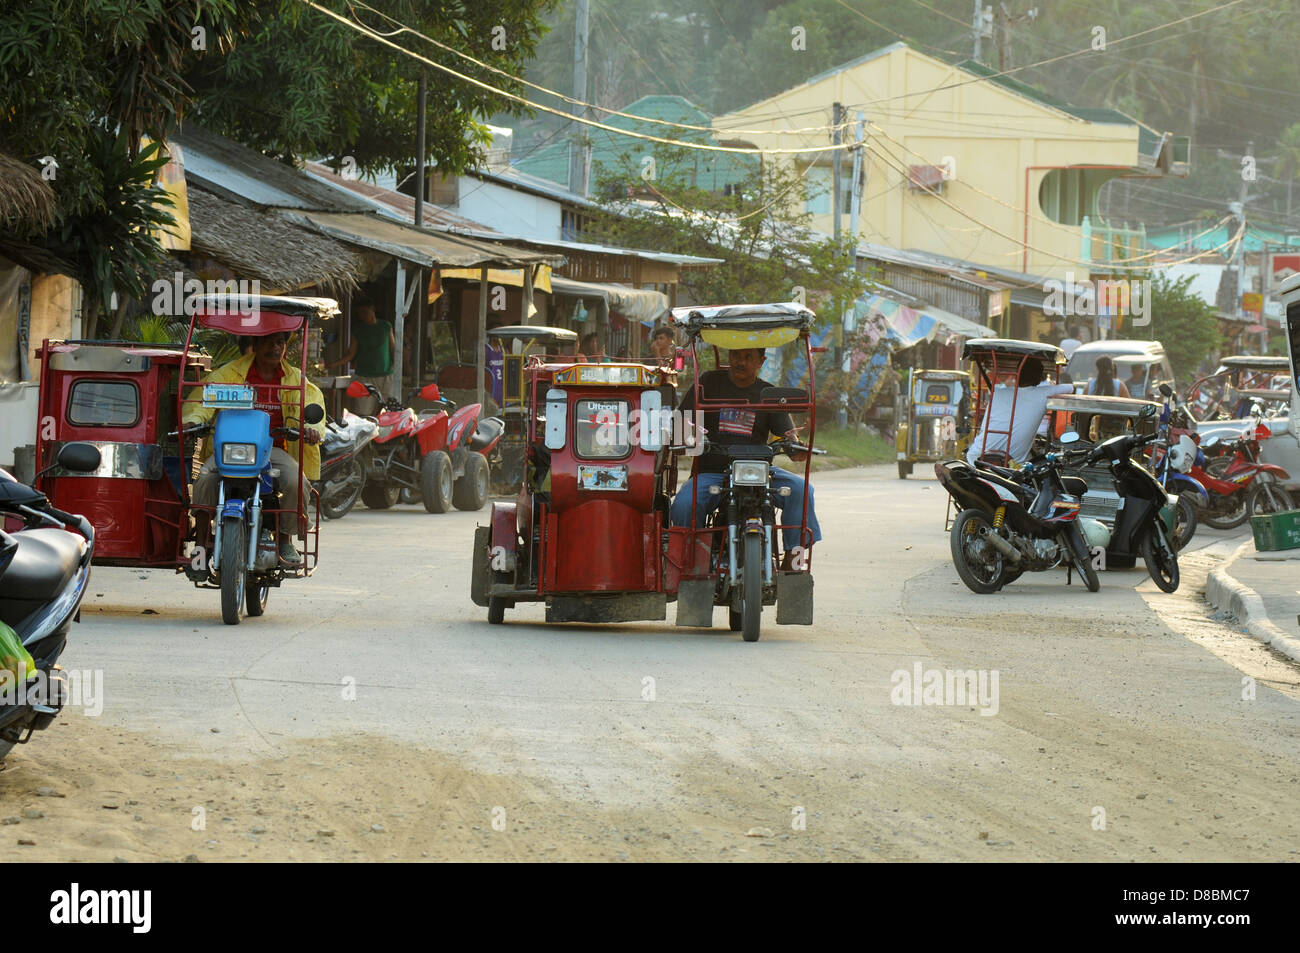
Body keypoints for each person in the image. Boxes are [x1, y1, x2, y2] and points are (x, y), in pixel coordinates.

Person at [669, 347, 821, 568]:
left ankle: (793, 560)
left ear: (761, 361)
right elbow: (682, 420)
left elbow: (788, 436)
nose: (740, 362)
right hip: (714, 472)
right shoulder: (708, 384)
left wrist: (796, 448)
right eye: (735, 356)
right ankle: (692, 561)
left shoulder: (769, 393)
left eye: (748, 357)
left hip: (759, 473)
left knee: (802, 490)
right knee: (683, 505)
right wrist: (684, 438)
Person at [184, 332, 326, 565]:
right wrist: (193, 420)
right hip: (230, 449)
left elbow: (311, 406)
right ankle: (200, 546)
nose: (275, 347)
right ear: (255, 345)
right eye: (269, 342)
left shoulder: (295, 379)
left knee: (295, 481)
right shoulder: (229, 374)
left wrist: (311, 429)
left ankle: (285, 541)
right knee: (206, 479)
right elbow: (203, 400)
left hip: (272, 450)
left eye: (280, 342)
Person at [966, 359, 1073, 466]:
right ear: (1039, 379)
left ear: (1017, 375)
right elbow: (1071, 388)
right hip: (1013, 467)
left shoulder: (997, 392)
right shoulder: (1043, 394)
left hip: (975, 459)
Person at [327, 298, 394, 414]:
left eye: (365, 312)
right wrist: (332, 365)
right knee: (363, 412)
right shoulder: (358, 330)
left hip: (386, 376)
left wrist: (397, 369)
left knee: (389, 411)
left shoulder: (385, 327)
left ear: (372, 309)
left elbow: (393, 349)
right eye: (360, 313)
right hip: (365, 377)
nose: (362, 316)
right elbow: (350, 354)